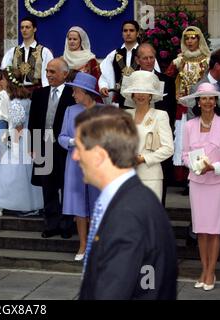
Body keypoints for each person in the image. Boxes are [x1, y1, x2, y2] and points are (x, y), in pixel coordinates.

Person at [73, 106, 177, 300]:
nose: (75, 156)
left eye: (79, 148)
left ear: (99, 155)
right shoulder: (127, 200)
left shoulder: (127, 214)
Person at [180, 82, 220, 291]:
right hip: (197, 183)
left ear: (215, 101)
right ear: (198, 102)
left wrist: (212, 168)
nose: (207, 102)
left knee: (214, 230)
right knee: (201, 230)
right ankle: (203, 269)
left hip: (217, 183)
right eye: (204, 98)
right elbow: (184, 154)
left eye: (211, 98)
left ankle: (210, 272)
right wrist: (195, 166)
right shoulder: (189, 126)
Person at [28, 58, 75, 239]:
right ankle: (51, 224)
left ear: (65, 74)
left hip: (65, 147)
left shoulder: (73, 94)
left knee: (66, 185)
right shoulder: (40, 93)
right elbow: (32, 121)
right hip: (43, 145)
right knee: (48, 187)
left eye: (53, 72)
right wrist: (33, 146)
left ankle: (66, 225)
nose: (48, 75)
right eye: (47, 71)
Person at [58, 72, 101, 262]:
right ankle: (83, 244)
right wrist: (73, 141)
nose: (73, 95)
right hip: (75, 164)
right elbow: (61, 137)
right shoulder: (70, 110)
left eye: (76, 91)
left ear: (85, 92)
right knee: (78, 207)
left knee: (96, 204)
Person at [165, 26, 211, 188]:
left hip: (203, 107)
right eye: (187, 38)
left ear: (199, 40)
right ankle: (186, 179)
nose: (190, 41)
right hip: (183, 106)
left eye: (193, 38)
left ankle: (202, 173)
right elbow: (167, 77)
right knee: (184, 140)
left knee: (202, 140)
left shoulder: (207, 60)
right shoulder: (179, 60)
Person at [0, 74, 43, 214]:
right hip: (28, 137)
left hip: (19, 139)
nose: (1, 82)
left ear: (8, 82)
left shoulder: (15, 102)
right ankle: (33, 203)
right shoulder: (27, 99)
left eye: (2, 79)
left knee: (16, 172)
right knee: (27, 171)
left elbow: (18, 126)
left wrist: (11, 141)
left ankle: (19, 205)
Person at [121, 70, 174, 200]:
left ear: (151, 95)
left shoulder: (160, 115)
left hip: (151, 178)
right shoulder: (125, 115)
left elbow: (168, 149)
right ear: (132, 95)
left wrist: (143, 158)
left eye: (145, 91)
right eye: (137, 91)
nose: (141, 95)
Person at [135, 42, 177, 205]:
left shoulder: (166, 80)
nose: (148, 61)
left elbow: (171, 110)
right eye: (144, 58)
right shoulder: (129, 80)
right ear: (137, 60)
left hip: (158, 143)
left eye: (151, 57)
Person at [99, 20, 160, 107]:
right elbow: (105, 74)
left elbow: (155, 75)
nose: (128, 33)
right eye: (125, 30)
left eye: (131, 30)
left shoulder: (146, 53)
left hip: (140, 100)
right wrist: (103, 86)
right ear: (122, 33)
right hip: (118, 102)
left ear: (137, 33)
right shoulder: (114, 54)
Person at [1, 16, 54, 89]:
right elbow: (5, 70)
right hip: (18, 93)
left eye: (27, 27)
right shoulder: (12, 51)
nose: (24, 30)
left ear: (34, 29)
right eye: (22, 27)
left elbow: (47, 76)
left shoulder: (44, 52)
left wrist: (45, 92)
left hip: (37, 92)